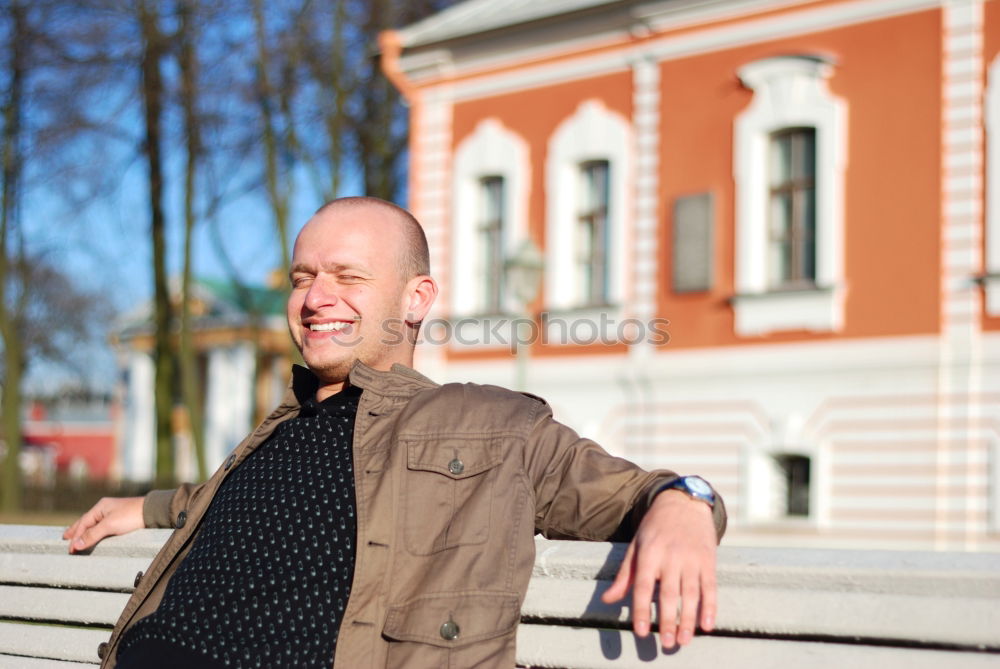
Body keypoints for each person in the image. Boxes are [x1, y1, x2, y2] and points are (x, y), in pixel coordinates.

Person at [64, 196, 726, 669]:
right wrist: (145, 507)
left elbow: (632, 490)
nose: (316, 297)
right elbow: (214, 499)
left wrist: (685, 502)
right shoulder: (279, 425)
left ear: (416, 298)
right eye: (303, 277)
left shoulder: (491, 424)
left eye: (348, 276)